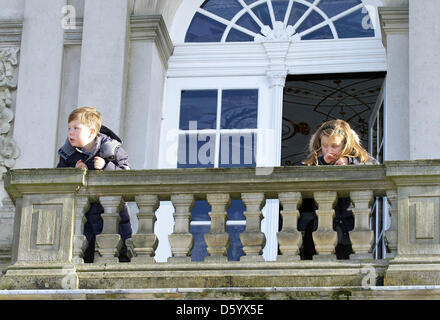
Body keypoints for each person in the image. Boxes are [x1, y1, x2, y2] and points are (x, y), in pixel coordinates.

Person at [57, 106, 134, 263]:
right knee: (85, 255)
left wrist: (107, 166)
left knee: (118, 254)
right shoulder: (68, 154)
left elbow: (127, 176)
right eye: (69, 128)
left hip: (110, 215)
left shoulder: (111, 149)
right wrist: (74, 172)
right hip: (83, 218)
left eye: (76, 128)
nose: (70, 133)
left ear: (91, 132)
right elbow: (58, 179)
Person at [296, 119, 378, 260]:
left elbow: (375, 168)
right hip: (323, 227)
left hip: (352, 226)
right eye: (325, 146)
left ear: (346, 145)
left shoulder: (359, 158)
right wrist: (321, 163)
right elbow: (296, 175)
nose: (329, 150)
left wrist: (350, 162)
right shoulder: (315, 160)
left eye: (334, 146)